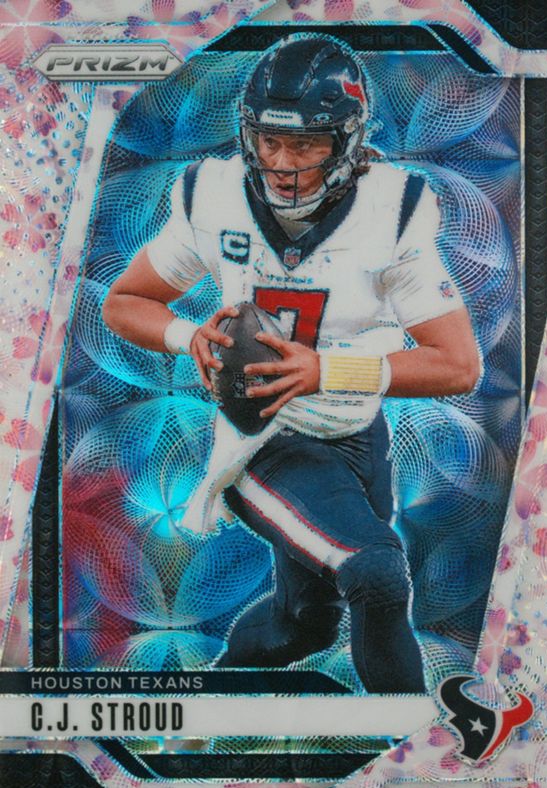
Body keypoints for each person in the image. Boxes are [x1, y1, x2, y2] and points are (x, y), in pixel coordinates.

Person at [102, 35, 480, 693]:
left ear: (348, 140)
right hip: (264, 434)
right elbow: (125, 302)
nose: (281, 164)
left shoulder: (393, 209)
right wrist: (187, 336)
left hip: (357, 432)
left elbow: (458, 365)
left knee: (305, 624)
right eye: (269, 141)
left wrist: (326, 371)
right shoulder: (214, 197)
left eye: (305, 145)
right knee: (376, 573)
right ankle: (418, 740)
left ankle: (209, 702)